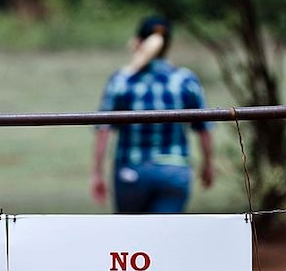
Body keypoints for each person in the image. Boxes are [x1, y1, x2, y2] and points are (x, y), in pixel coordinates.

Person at [91, 15, 214, 213]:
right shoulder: (185, 79)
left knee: (131, 237)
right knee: (164, 236)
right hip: (174, 171)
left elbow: (104, 129)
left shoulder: (122, 80)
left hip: (131, 171)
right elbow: (204, 128)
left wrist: (97, 173)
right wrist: (208, 165)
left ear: (138, 42)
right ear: (168, 44)